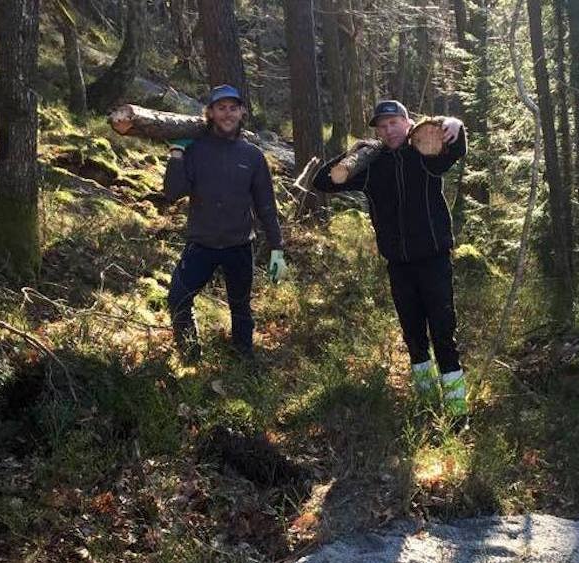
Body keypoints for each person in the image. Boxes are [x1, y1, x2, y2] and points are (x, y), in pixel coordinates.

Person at [312, 100, 469, 419]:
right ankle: (427, 402)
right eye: (382, 127)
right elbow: (322, 181)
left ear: (407, 122)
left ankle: (456, 410)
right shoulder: (372, 164)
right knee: (413, 334)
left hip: (434, 259)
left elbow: (455, 149)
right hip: (398, 264)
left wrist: (454, 123)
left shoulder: (425, 150)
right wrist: (357, 152)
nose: (388, 130)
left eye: (393, 123)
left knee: (442, 332)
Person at [162, 84, 286, 363]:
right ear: (210, 113)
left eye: (233, 108)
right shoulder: (196, 150)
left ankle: (243, 358)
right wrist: (176, 154)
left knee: (240, 307)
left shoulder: (252, 156)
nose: (227, 114)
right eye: (221, 108)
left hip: (239, 245)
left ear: (242, 112)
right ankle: (191, 358)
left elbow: (266, 204)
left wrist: (277, 247)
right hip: (201, 244)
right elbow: (172, 192)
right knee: (178, 298)